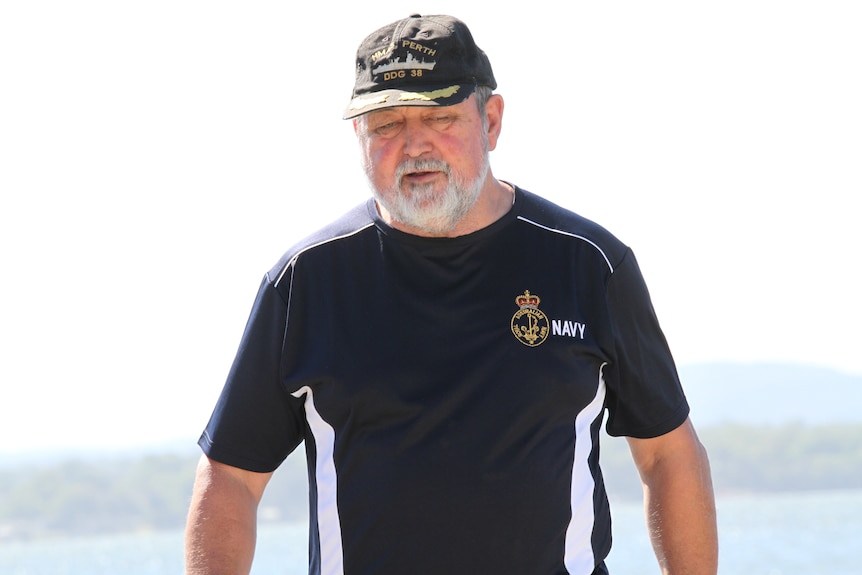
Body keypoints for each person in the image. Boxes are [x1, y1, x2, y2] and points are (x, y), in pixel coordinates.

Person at [185, 14, 718, 575]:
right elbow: (231, 479)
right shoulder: (305, 283)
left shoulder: (589, 265)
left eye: (440, 117)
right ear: (358, 137)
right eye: (386, 125)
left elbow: (668, 455)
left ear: (491, 120)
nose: (415, 145)